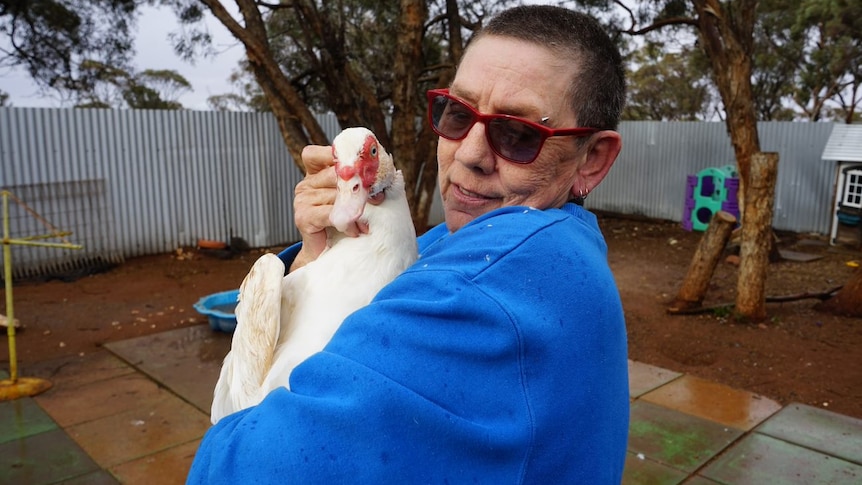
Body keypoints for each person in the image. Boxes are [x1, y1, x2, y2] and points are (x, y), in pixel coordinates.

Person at [188, 5, 628, 483]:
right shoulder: (476, 241)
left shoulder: (484, 288)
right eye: (457, 114)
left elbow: (238, 468)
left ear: (592, 159)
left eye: (519, 133)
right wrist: (318, 259)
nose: (470, 153)